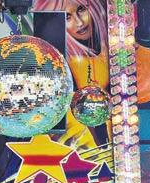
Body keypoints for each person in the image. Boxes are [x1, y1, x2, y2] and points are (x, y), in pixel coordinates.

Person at [34, 0, 110, 148]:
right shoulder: (58, 63)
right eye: (67, 17)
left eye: (81, 9)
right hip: (83, 147)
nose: (79, 22)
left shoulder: (112, 44)